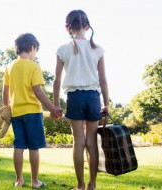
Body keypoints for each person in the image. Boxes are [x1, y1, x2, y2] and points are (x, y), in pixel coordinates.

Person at [53, 10, 109, 190]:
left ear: (67, 27)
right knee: (91, 142)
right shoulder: (98, 49)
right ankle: (92, 185)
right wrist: (106, 104)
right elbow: (103, 80)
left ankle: (79, 185)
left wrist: (56, 104)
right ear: (87, 26)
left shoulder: (63, 49)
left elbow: (57, 80)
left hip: (74, 97)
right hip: (93, 97)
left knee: (78, 142)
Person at [3, 33, 62, 188]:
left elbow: (5, 91)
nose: (35, 55)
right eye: (36, 50)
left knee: (19, 146)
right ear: (31, 48)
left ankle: (19, 180)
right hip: (33, 113)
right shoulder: (34, 66)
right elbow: (38, 91)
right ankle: (35, 181)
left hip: (16, 113)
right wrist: (53, 109)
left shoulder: (9, 67)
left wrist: (6, 108)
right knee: (34, 147)